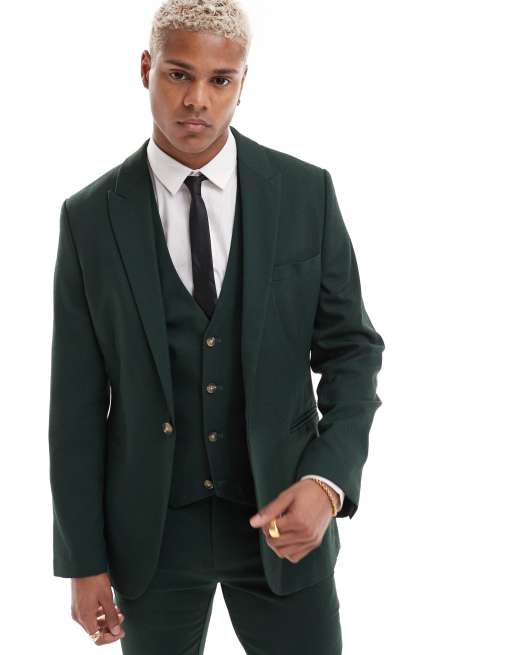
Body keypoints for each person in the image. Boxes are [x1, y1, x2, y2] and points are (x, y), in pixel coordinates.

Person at [48, 1, 385, 652]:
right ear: (145, 69)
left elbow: (352, 351)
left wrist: (326, 483)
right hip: (151, 535)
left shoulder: (304, 193)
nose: (197, 99)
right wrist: (82, 560)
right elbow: (76, 404)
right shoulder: (89, 218)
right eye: (178, 74)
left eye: (219, 79)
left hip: (284, 520)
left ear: (241, 82)